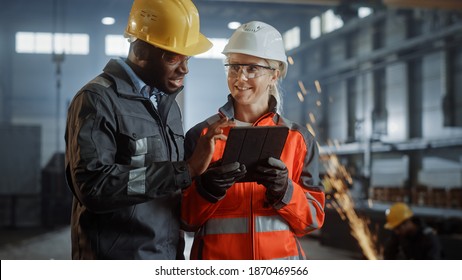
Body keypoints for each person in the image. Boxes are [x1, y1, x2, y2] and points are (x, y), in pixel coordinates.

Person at [64, 0, 232, 259]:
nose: (185, 68)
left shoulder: (168, 105)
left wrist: (204, 181)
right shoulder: (97, 100)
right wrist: (185, 170)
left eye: (187, 57)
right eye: (173, 57)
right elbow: (94, 187)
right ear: (141, 50)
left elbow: (167, 187)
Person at [181, 21, 326, 260]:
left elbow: (312, 221)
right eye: (234, 67)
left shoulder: (299, 139)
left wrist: (285, 190)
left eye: (252, 68)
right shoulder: (202, 136)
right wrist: (206, 190)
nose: (240, 77)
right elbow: (185, 219)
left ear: (274, 74)